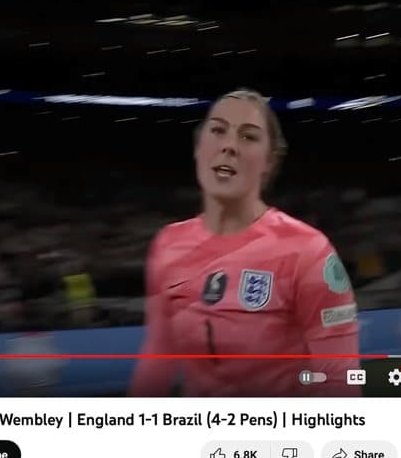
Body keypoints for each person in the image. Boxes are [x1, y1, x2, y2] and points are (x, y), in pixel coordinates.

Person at [129, 88, 360, 396]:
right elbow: (157, 359)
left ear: (269, 161)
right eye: (218, 131)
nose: (229, 147)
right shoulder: (168, 244)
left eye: (248, 137)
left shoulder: (308, 251)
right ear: (198, 149)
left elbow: (340, 383)